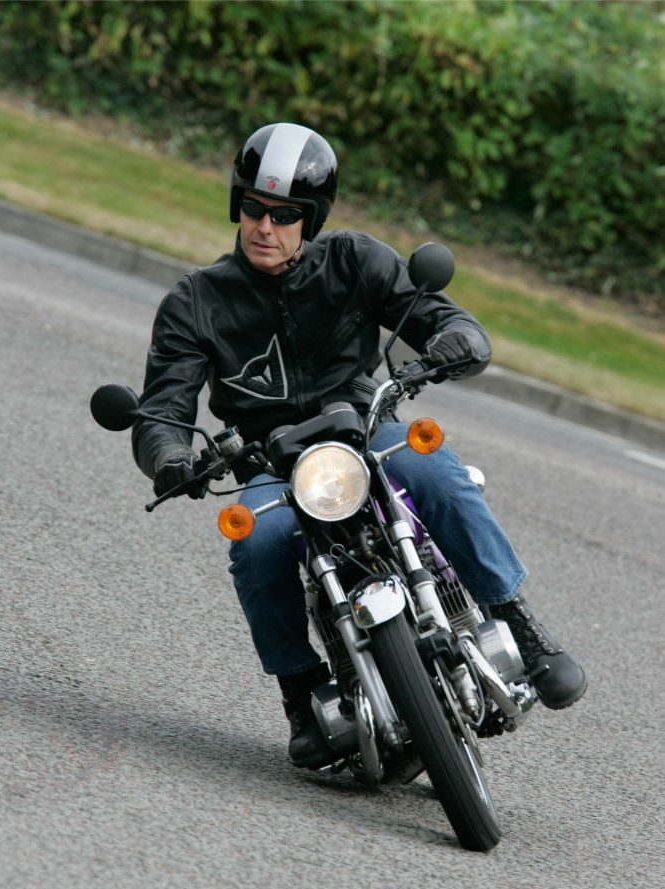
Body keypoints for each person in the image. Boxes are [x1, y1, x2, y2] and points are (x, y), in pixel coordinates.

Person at [132, 122, 586, 768]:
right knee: (255, 541)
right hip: (273, 462)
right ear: (238, 205)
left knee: (433, 470)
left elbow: (435, 313)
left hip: (366, 430)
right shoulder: (195, 303)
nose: (266, 226)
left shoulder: (354, 259)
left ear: (309, 219)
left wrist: (456, 340)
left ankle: (518, 624)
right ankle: (300, 695)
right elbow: (162, 410)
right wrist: (170, 456)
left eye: (286, 214)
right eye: (255, 209)